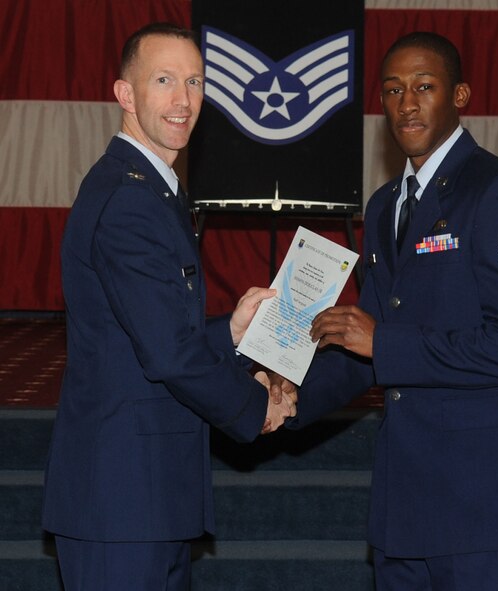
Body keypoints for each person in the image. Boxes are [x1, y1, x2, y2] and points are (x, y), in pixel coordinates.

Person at [275, 32, 498, 590]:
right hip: (404, 501)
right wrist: (285, 399)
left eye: (425, 87)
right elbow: (364, 349)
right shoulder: (384, 206)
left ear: (461, 95)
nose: (407, 103)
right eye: (394, 89)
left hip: (481, 503)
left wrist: (385, 344)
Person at [41, 22, 295, 590]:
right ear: (125, 95)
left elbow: (151, 334)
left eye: (196, 81)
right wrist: (256, 405)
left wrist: (229, 331)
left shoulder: (153, 190)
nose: (184, 100)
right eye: (163, 80)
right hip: (121, 501)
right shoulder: (130, 199)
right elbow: (168, 356)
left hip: (143, 499)